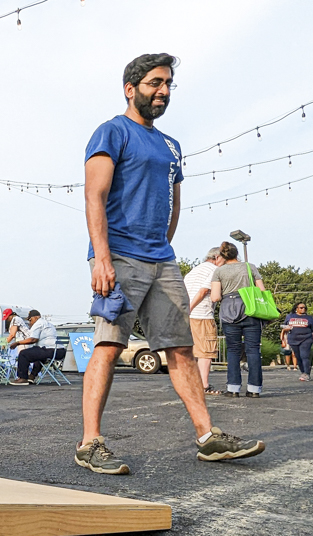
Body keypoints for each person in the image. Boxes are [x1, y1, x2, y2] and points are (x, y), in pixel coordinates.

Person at [79, 53, 264, 475]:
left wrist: (163, 249)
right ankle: (90, 443)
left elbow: (173, 205)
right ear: (131, 89)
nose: (163, 91)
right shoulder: (112, 131)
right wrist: (102, 258)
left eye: (167, 84)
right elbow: (95, 196)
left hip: (160, 259)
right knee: (109, 345)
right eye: (154, 83)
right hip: (119, 256)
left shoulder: (171, 145)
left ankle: (208, 437)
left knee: (180, 348)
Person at [210, 242, 267, 398]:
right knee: (253, 350)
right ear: (236, 254)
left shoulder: (219, 272)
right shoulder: (250, 267)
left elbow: (215, 296)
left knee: (233, 351)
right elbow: (262, 291)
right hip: (251, 310)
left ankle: (233, 388)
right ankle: (254, 390)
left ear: (222, 256)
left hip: (229, 311)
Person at [184, 247, 225, 394]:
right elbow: (203, 291)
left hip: (187, 316)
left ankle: (193, 384)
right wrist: (191, 307)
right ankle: (204, 385)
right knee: (206, 351)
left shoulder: (194, 271)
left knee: (193, 351)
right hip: (202, 315)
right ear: (216, 257)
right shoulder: (214, 270)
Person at [9, 310, 62, 385]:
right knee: (37, 354)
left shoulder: (38, 323)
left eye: (30, 320)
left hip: (51, 350)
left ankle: (22, 378)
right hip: (59, 351)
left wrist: (18, 343)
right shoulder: (49, 324)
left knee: (23, 354)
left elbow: (33, 339)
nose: (30, 322)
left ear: (36, 317)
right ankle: (32, 377)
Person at [282, 302, 313, 381]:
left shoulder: (309, 318)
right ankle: (303, 372)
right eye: (301, 308)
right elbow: (283, 326)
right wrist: (284, 335)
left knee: (304, 356)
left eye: (304, 308)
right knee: (298, 357)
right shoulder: (289, 316)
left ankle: (307, 373)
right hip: (293, 339)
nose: (303, 309)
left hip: (306, 339)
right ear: (296, 309)